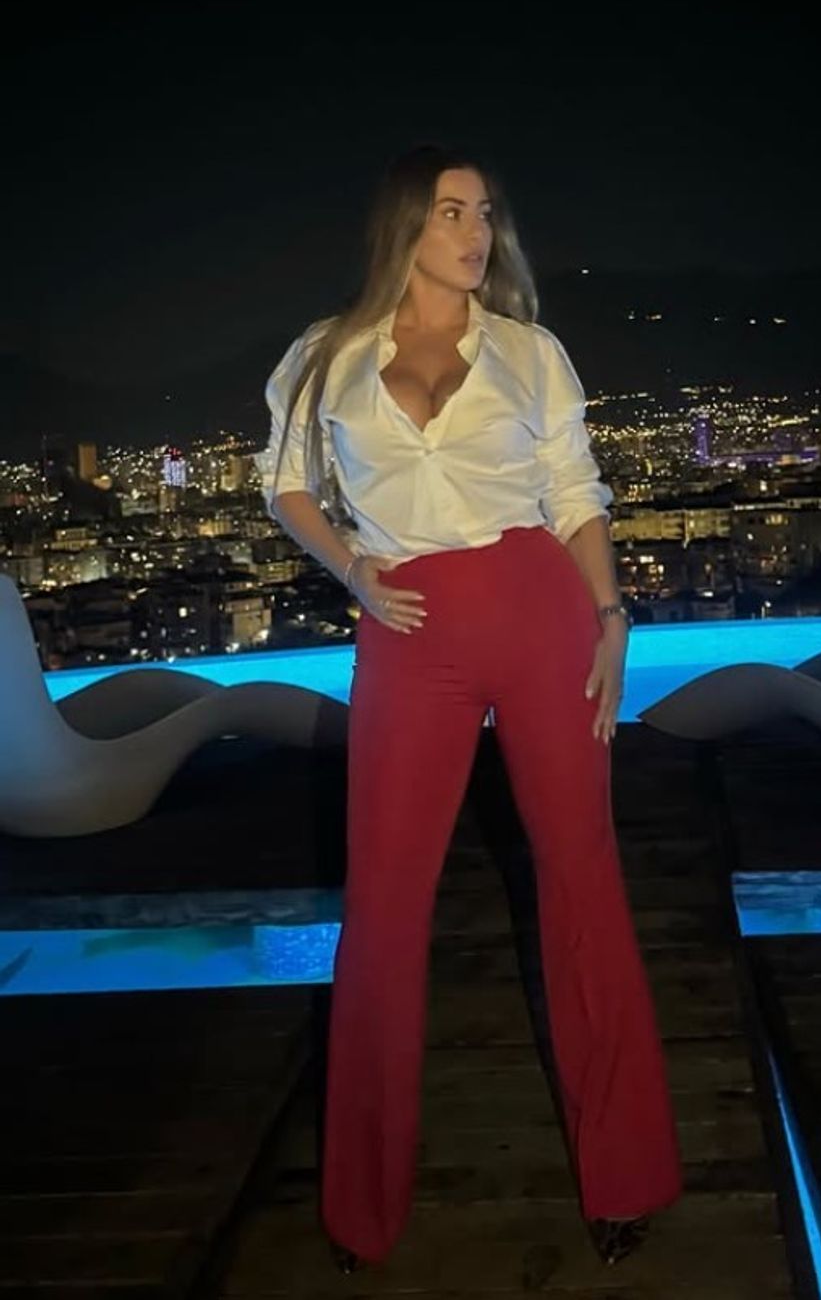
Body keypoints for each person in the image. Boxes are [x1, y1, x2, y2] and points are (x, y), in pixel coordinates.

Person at [256, 144, 683, 1271]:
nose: (475, 232)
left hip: (543, 616)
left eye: (484, 213)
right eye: (451, 212)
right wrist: (353, 570)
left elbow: (575, 493)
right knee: (384, 905)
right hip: (408, 631)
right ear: (405, 227)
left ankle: (624, 1172)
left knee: (581, 876)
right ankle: (362, 1202)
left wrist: (610, 618)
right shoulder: (325, 357)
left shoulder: (528, 351)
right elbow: (285, 484)